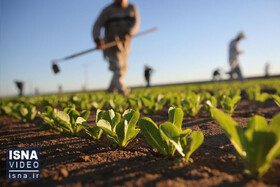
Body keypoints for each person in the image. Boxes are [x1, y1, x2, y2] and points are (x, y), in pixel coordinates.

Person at [92, 0, 140, 95]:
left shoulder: (132, 8)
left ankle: (110, 90)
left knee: (123, 68)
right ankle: (122, 90)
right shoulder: (107, 10)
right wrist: (97, 38)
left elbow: (136, 23)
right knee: (118, 66)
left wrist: (129, 33)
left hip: (125, 45)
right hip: (111, 43)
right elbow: (97, 25)